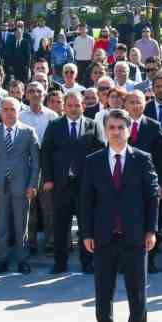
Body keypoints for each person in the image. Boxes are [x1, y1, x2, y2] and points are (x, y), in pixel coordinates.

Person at [79, 109, 161, 322]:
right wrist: (86, 233)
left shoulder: (142, 159)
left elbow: (152, 197)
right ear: (105, 131)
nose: (115, 132)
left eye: (120, 127)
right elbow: (86, 200)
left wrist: (151, 230)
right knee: (103, 292)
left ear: (129, 130)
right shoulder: (93, 160)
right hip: (103, 236)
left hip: (135, 235)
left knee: (137, 292)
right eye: (111, 128)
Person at [39, 90, 100, 274]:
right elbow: (45, 152)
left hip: (85, 185)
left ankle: (87, 262)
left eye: (77, 105)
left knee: (86, 225)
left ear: (83, 106)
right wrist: (48, 178)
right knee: (60, 225)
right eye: (70, 105)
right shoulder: (55, 125)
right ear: (64, 107)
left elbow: (100, 152)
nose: (73, 109)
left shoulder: (92, 125)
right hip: (60, 185)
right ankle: (60, 263)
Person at [0, 96, 39, 275]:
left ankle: (22, 260)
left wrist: (32, 184)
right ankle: (2, 259)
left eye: (12, 109)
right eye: (5, 109)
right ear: (0, 112)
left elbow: (36, 162)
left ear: (18, 111)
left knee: (21, 224)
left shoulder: (28, 132)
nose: (8, 113)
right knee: (2, 224)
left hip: (22, 185)